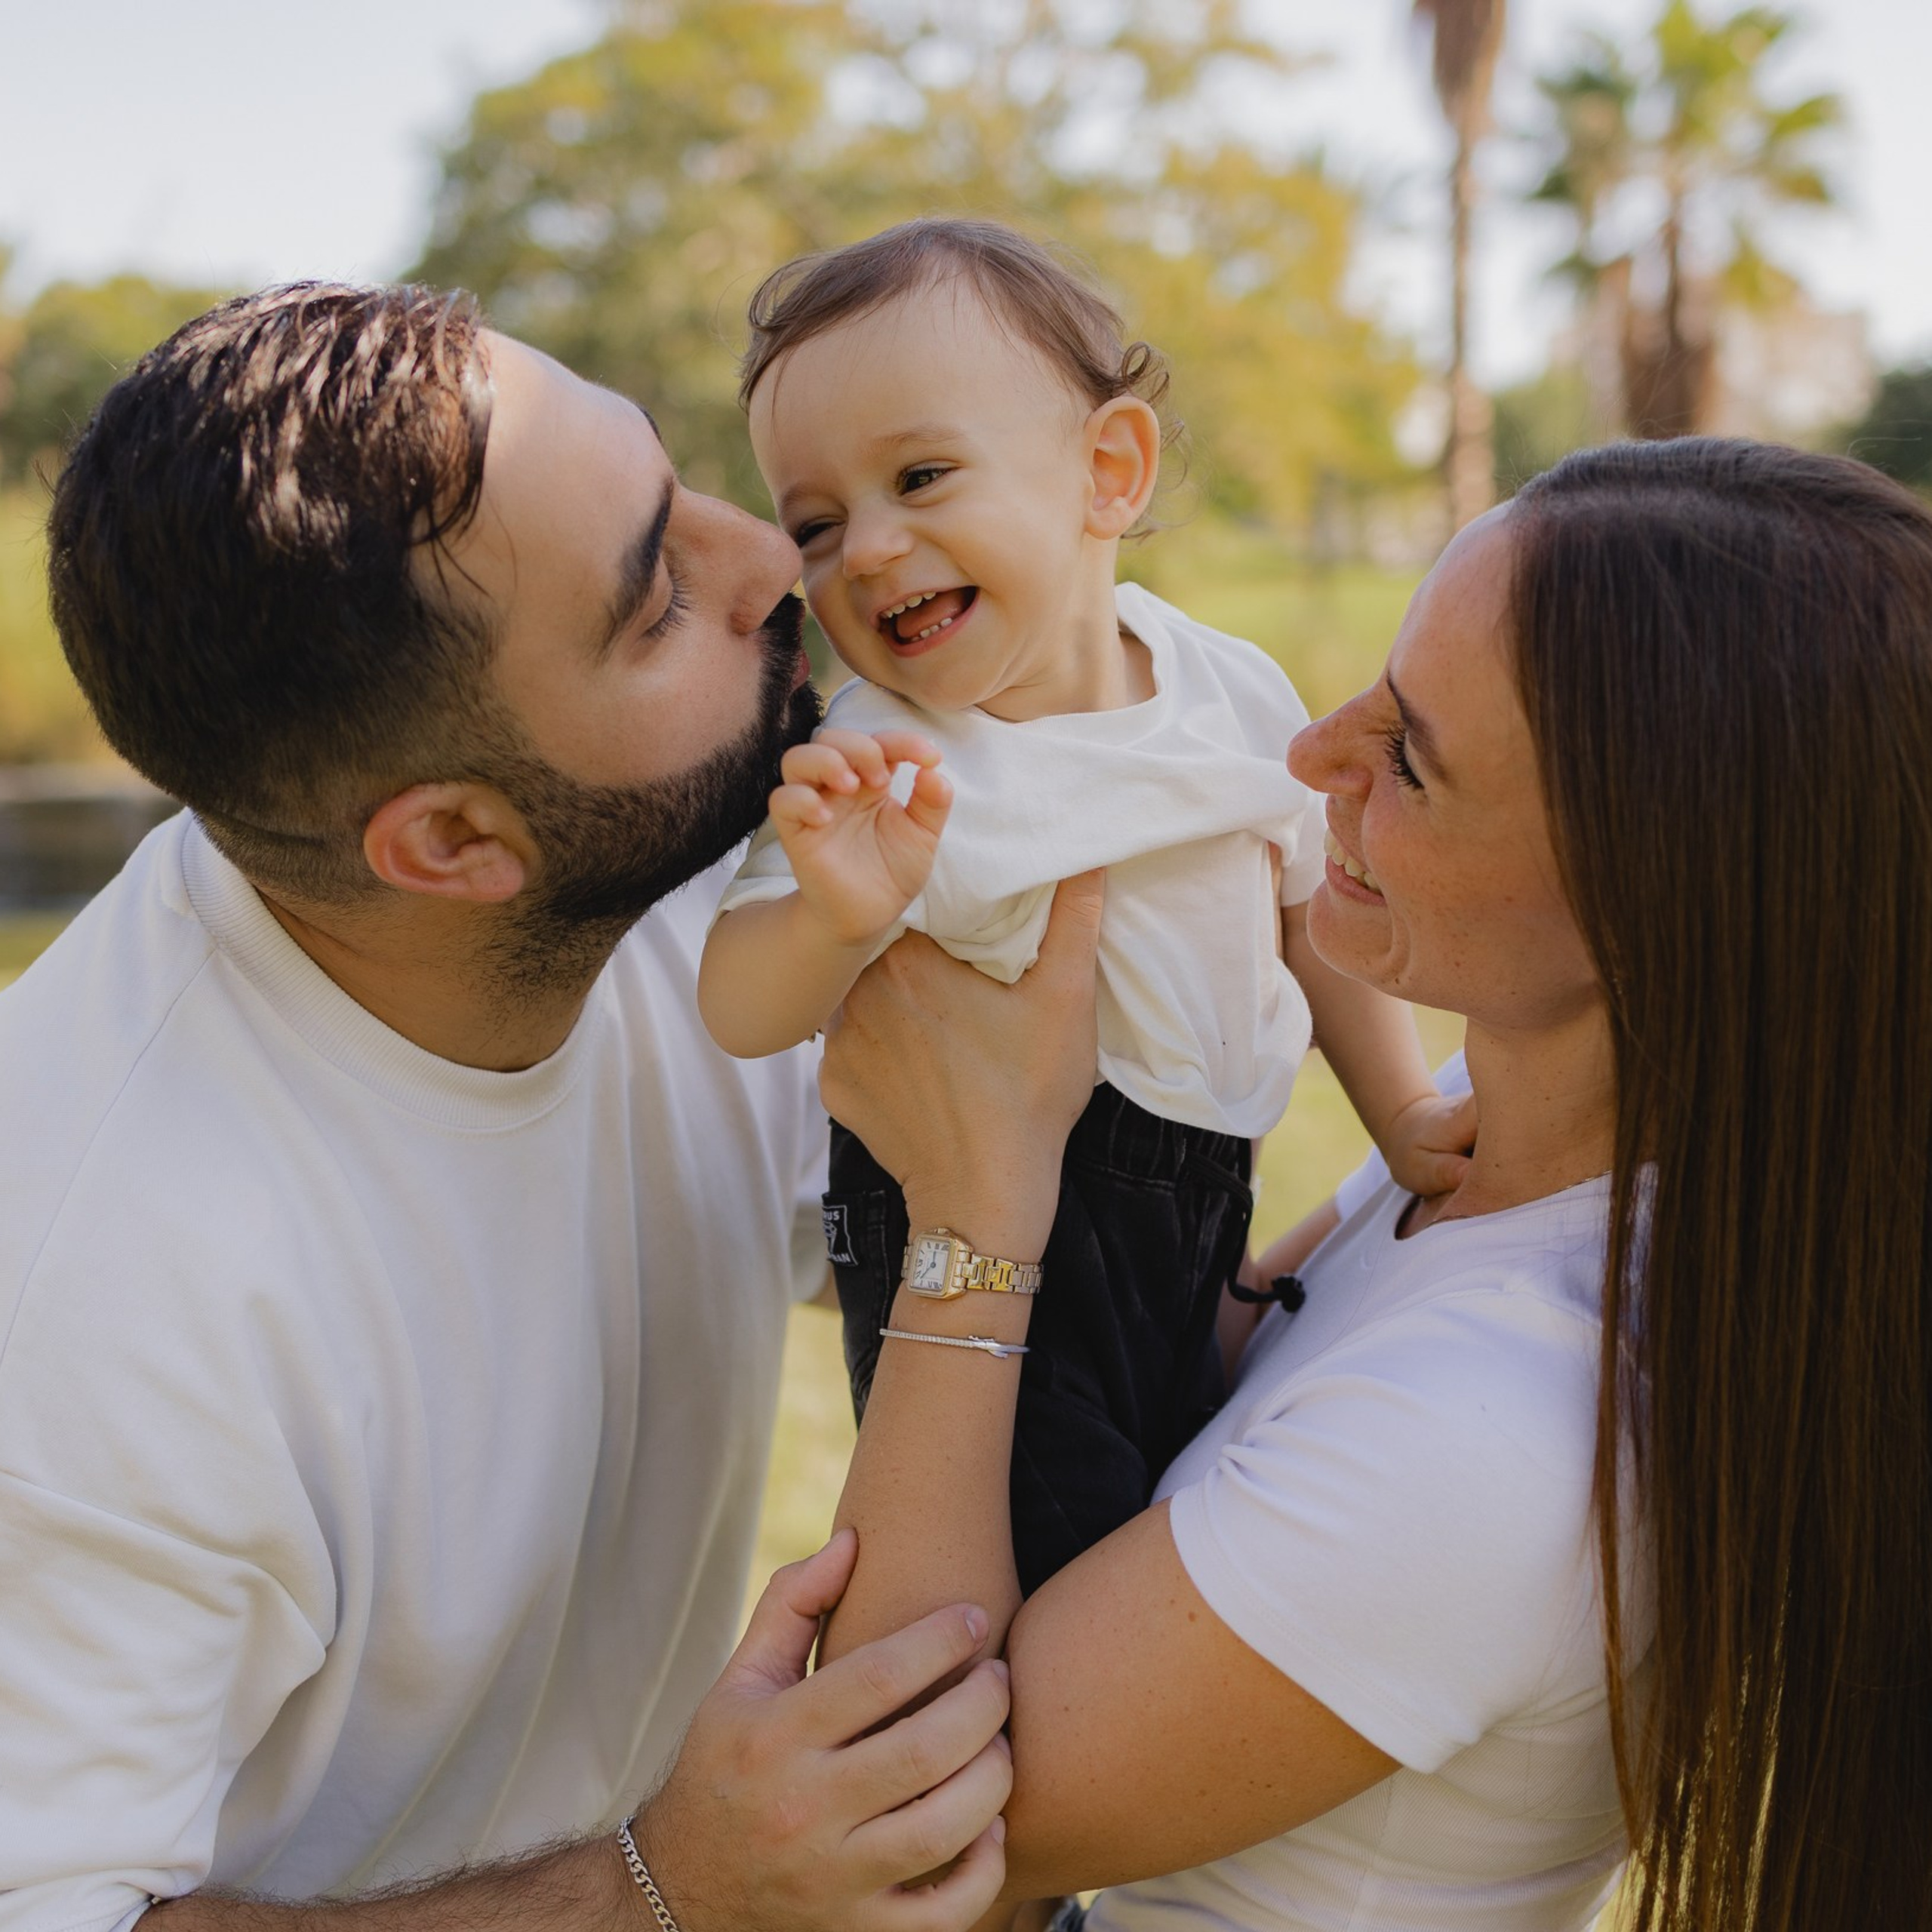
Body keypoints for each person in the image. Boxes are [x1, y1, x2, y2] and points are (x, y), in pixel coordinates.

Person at [0, 283, 1017, 1932]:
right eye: (653, 602)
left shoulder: (696, 893)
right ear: (456, 844)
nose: (770, 560)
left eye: (675, 480)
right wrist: (663, 1888)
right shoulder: (97, 1289)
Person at [814, 439, 1932, 1930]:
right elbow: (1186, 1410)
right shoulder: (1490, 1136)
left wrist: (966, 1214)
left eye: (1406, 757)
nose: (1309, 756)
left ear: (1644, 911)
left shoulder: (1498, 1435)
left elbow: (897, 1830)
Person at [698, 219, 1472, 1593]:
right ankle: (1015, 1776)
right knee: (1036, 1574)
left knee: (1182, 1522)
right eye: (816, 524)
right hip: (994, 1233)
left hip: (1200, 1202)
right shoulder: (885, 758)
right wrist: (829, 915)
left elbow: (1306, 910)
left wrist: (1403, 1113)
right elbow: (741, 1009)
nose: (868, 548)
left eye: (921, 476)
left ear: (1106, 473)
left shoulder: (1225, 685)